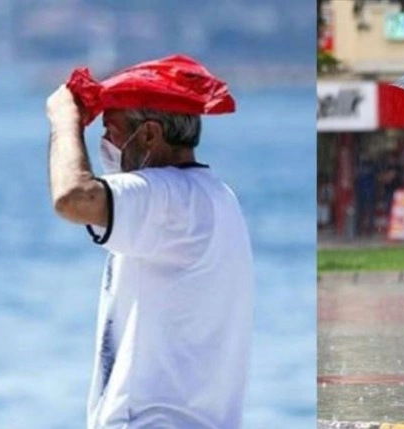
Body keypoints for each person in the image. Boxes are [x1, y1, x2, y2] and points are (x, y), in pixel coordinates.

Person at [46, 55, 253, 429]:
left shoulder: (167, 195)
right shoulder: (217, 195)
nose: (105, 143)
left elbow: (72, 197)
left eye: (110, 130)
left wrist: (65, 122)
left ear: (149, 135)